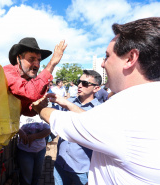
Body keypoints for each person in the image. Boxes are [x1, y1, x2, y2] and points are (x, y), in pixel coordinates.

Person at [32, 17, 160, 184]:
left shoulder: (125, 111)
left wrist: (37, 107)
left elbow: (64, 122)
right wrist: (67, 103)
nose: (102, 64)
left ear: (130, 58)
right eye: (79, 82)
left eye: (107, 56)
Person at [54, 70, 102, 185]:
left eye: (85, 83)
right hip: (60, 163)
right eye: (79, 82)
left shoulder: (99, 110)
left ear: (96, 88)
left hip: (82, 169)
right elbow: (54, 118)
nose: (79, 85)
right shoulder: (68, 102)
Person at [3, 37, 67, 116]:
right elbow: (29, 92)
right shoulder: (7, 72)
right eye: (31, 59)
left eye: (39, 60)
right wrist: (52, 63)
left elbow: (24, 110)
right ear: (18, 58)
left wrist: (37, 106)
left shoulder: (28, 80)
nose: (37, 65)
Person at [17, 117, 51, 185]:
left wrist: (34, 136)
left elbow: (48, 130)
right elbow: (12, 125)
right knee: (26, 178)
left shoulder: (41, 113)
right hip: (25, 151)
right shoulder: (20, 112)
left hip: (40, 150)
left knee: (37, 175)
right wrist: (20, 132)